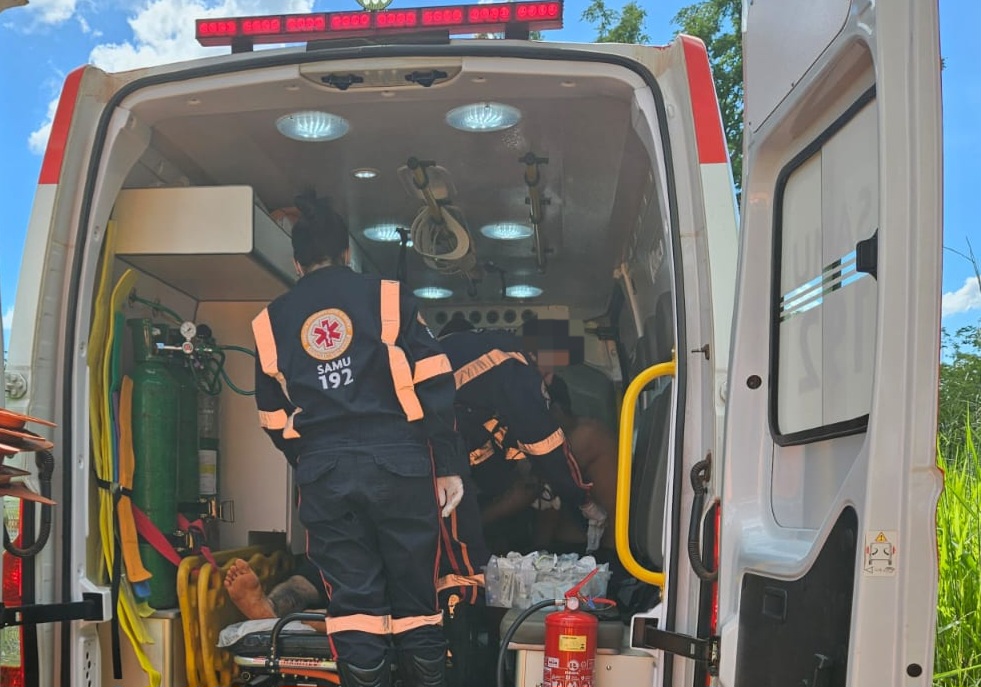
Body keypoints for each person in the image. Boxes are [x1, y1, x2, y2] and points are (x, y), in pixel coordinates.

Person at [252, 191, 465, 687]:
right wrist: (448, 462)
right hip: (401, 461)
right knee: (417, 599)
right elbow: (434, 377)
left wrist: (309, 458)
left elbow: (270, 414)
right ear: (347, 253)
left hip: (323, 468)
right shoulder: (388, 296)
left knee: (353, 605)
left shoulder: (270, 322)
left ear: (297, 263)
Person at [436, 316, 607, 559]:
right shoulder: (513, 365)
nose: (548, 379)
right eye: (549, 370)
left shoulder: (472, 351)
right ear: (536, 353)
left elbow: (479, 446)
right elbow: (546, 445)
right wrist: (584, 500)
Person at [536, 374, 619, 553]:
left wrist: (481, 519)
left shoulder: (586, 435)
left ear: (556, 410)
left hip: (608, 541)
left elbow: (536, 485)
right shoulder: (568, 437)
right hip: (586, 529)